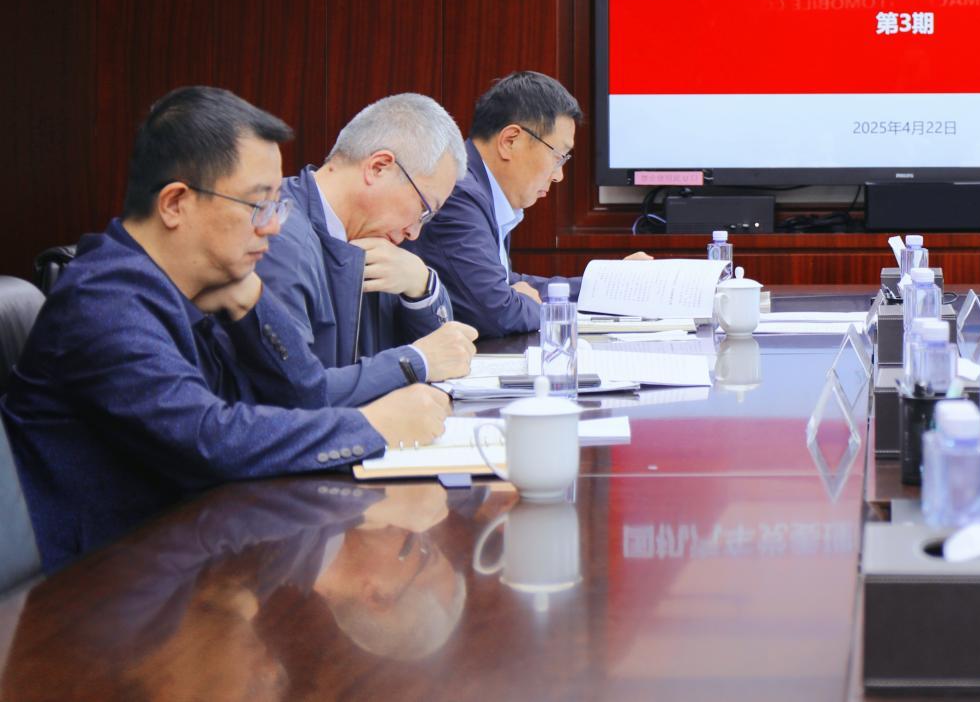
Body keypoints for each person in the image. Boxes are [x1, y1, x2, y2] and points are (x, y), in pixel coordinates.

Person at [0, 87, 449, 569]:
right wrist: (371, 426)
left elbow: (303, 395)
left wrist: (253, 303)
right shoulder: (104, 300)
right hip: (91, 584)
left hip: (178, 553)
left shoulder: (200, 284)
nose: (272, 227)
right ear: (176, 203)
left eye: (277, 206)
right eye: (258, 205)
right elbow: (208, 439)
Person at [252, 93, 478, 407]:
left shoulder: (374, 240)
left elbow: (444, 356)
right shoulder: (277, 238)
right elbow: (293, 394)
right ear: (378, 167)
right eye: (424, 209)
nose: (414, 232)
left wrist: (422, 286)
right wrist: (415, 362)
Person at [408, 72, 649, 338]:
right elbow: (497, 313)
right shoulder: (459, 193)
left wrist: (607, 286)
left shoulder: (480, 189)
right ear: (510, 141)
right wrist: (527, 303)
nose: (559, 175)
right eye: (558, 156)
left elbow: (504, 286)